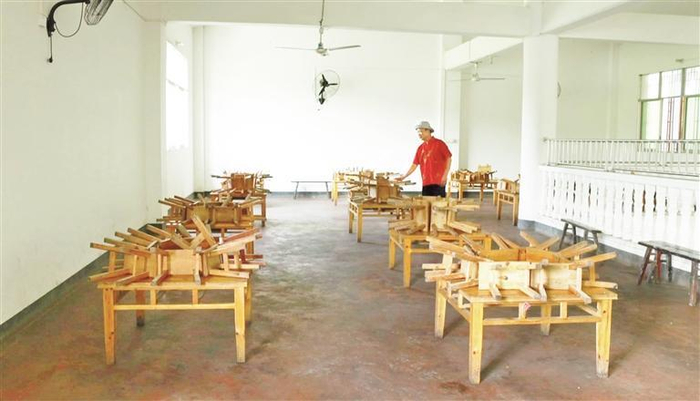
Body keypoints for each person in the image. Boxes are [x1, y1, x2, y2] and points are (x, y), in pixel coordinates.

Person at [397, 121, 452, 197]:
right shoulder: (420, 148)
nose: (419, 134)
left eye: (421, 131)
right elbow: (414, 165)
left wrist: (445, 175)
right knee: (426, 203)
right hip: (426, 183)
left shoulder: (439, 144)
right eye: (418, 132)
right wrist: (404, 176)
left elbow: (449, 158)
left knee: (439, 204)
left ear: (428, 131)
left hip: (438, 182)